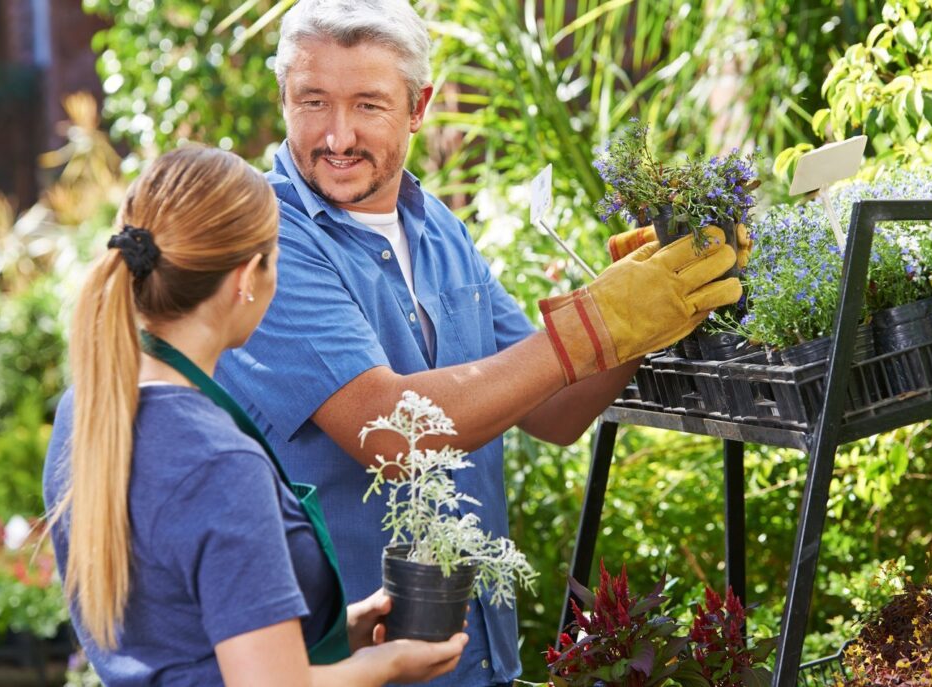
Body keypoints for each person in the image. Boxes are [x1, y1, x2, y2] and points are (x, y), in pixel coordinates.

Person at [215, 1, 744, 685]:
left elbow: (555, 412)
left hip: (478, 661)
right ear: (284, 97)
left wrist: (645, 308)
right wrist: (595, 320)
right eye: (312, 101)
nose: (337, 135)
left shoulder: (437, 228)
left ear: (418, 105)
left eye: (368, 105)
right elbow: (392, 432)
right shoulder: (268, 244)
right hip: (352, 665)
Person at [42, 146, 468, 686]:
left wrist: (340, 630)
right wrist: (384, 665)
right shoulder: (218, 462)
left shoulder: (87, 408)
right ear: (247, 275)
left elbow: (179, 626)